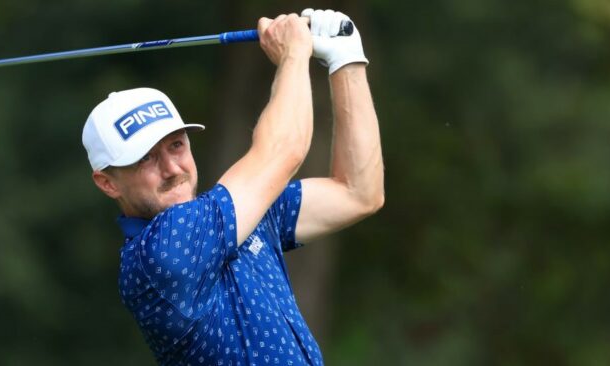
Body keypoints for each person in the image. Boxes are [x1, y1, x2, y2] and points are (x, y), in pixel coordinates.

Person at [81, 8, 384, 366]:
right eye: (145, 159)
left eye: (176, 145)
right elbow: (284, 150)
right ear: (107, 183)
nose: (172, 169)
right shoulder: (158, 254)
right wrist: (293, 54)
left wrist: (346, 61)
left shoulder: (233, 216)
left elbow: (359, 192)